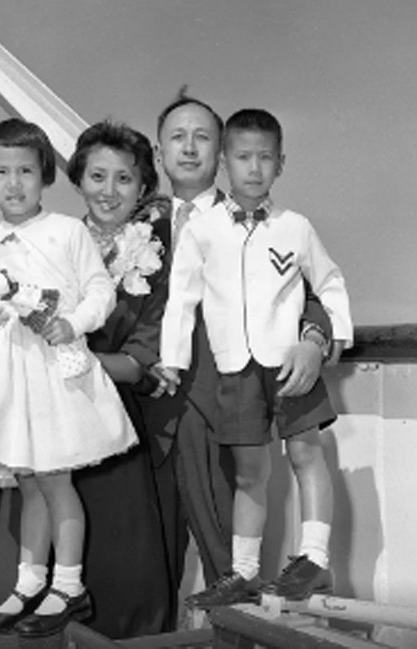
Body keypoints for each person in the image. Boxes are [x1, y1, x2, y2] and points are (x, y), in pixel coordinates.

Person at [0, 119, 175, 639]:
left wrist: (72, 325)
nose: (14, 183)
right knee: (29, 479)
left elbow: (100, 292)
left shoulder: (67, 233)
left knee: (55, 480)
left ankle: (70, 584)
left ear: (46, 176)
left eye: (26, 171)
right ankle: (29, 582)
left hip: (61, 378)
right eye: (1, 173)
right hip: (16, 381)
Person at [160, 107, 353, 609]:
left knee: (306, 454)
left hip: (289, 364)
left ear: (280, 164)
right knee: (249, 473)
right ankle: (244, 571)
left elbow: (328, 280)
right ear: (225, 163)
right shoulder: (202, 230)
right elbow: (182, 299)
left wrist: (334, 333)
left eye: (265, 158)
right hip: (235, 369)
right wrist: (171, 359)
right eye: (243, 157)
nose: (254, 168)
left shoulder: (296, 227)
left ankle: (315, 558)